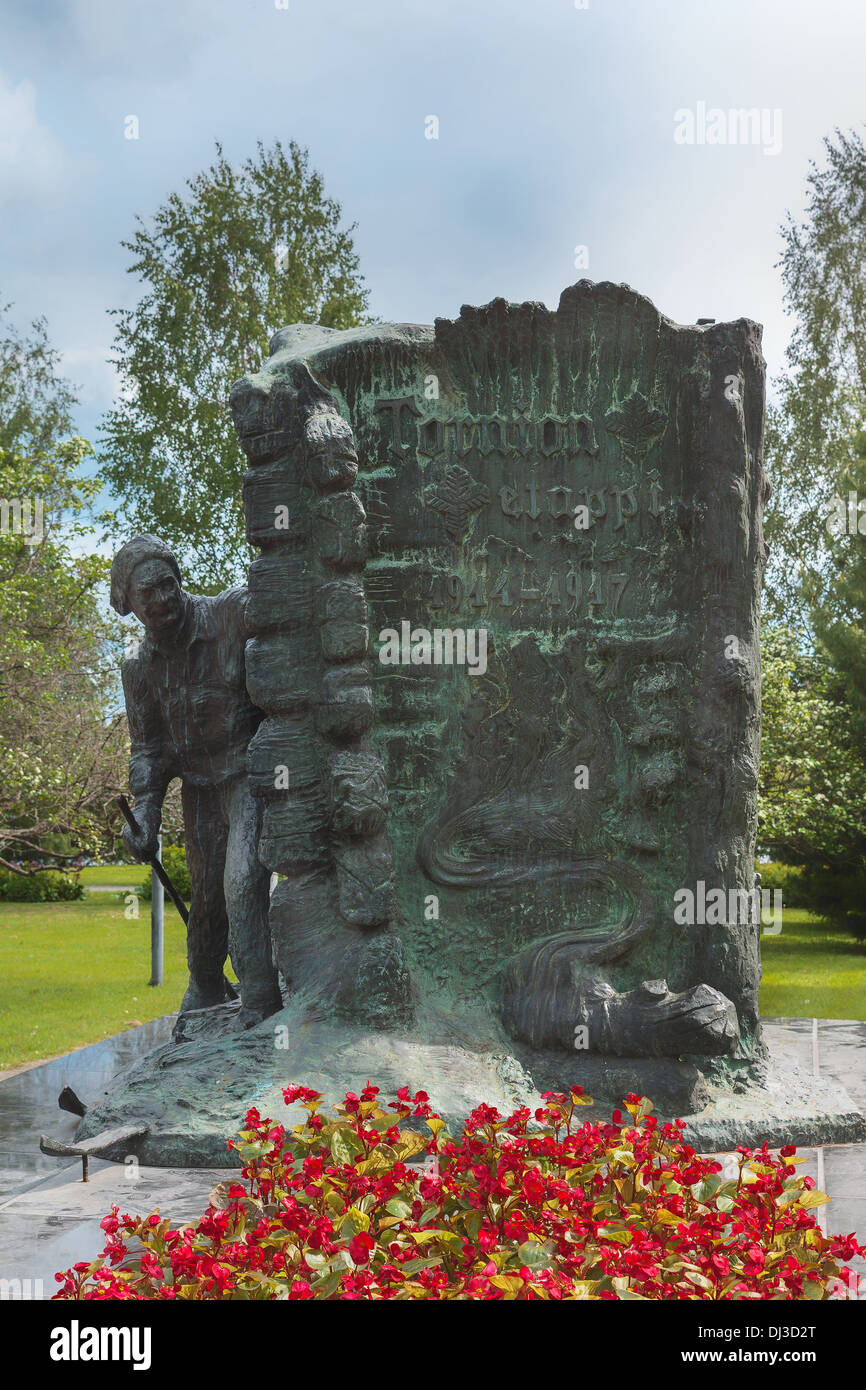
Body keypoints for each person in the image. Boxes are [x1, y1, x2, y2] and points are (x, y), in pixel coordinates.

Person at [110, 535, 281, 1029]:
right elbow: (149, 749)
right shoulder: (139, 668)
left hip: (249, 773)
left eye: (169, 584)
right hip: (200, 792)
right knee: (207, 899)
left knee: (243, 880)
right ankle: (206, 989)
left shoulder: (229, 614)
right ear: (130, 606)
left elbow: (278, 607)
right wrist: (146, 812)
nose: (163, 599)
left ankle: (261, 1003)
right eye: (149, 594)